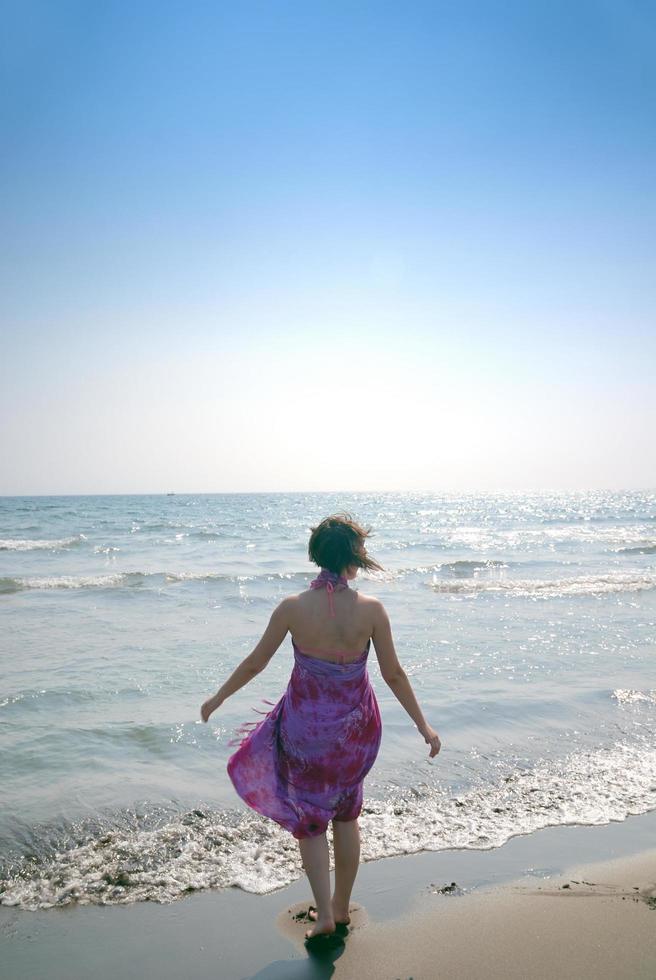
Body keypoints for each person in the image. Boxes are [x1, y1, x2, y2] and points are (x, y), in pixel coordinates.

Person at [201, 513, 441, 941]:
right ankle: (341, 908)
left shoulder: (293, 608)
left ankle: (325, 917)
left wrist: (219, 698)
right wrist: (423, 725)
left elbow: (256, 662)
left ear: (316, 555)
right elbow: (394, 674)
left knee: (311, 822)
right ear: (355, 556)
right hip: (356, 731)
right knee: (347, 816)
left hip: (305, 732)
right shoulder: (371, 610)